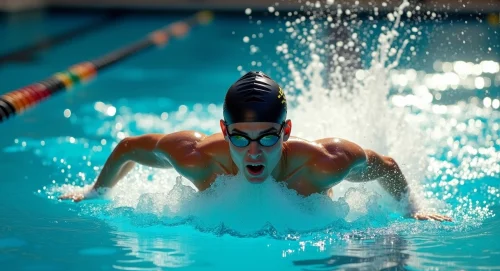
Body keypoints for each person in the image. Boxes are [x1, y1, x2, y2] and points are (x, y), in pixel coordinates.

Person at [60, 71, 451, 221]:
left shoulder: (324, 163)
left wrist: (411, 206)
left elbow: (386, 165)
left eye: (267, 137)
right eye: (240, 138)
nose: (253, 152)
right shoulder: (197, 158)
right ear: (224, 132)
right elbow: (128, 147)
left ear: (286, 131)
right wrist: (96, 191)